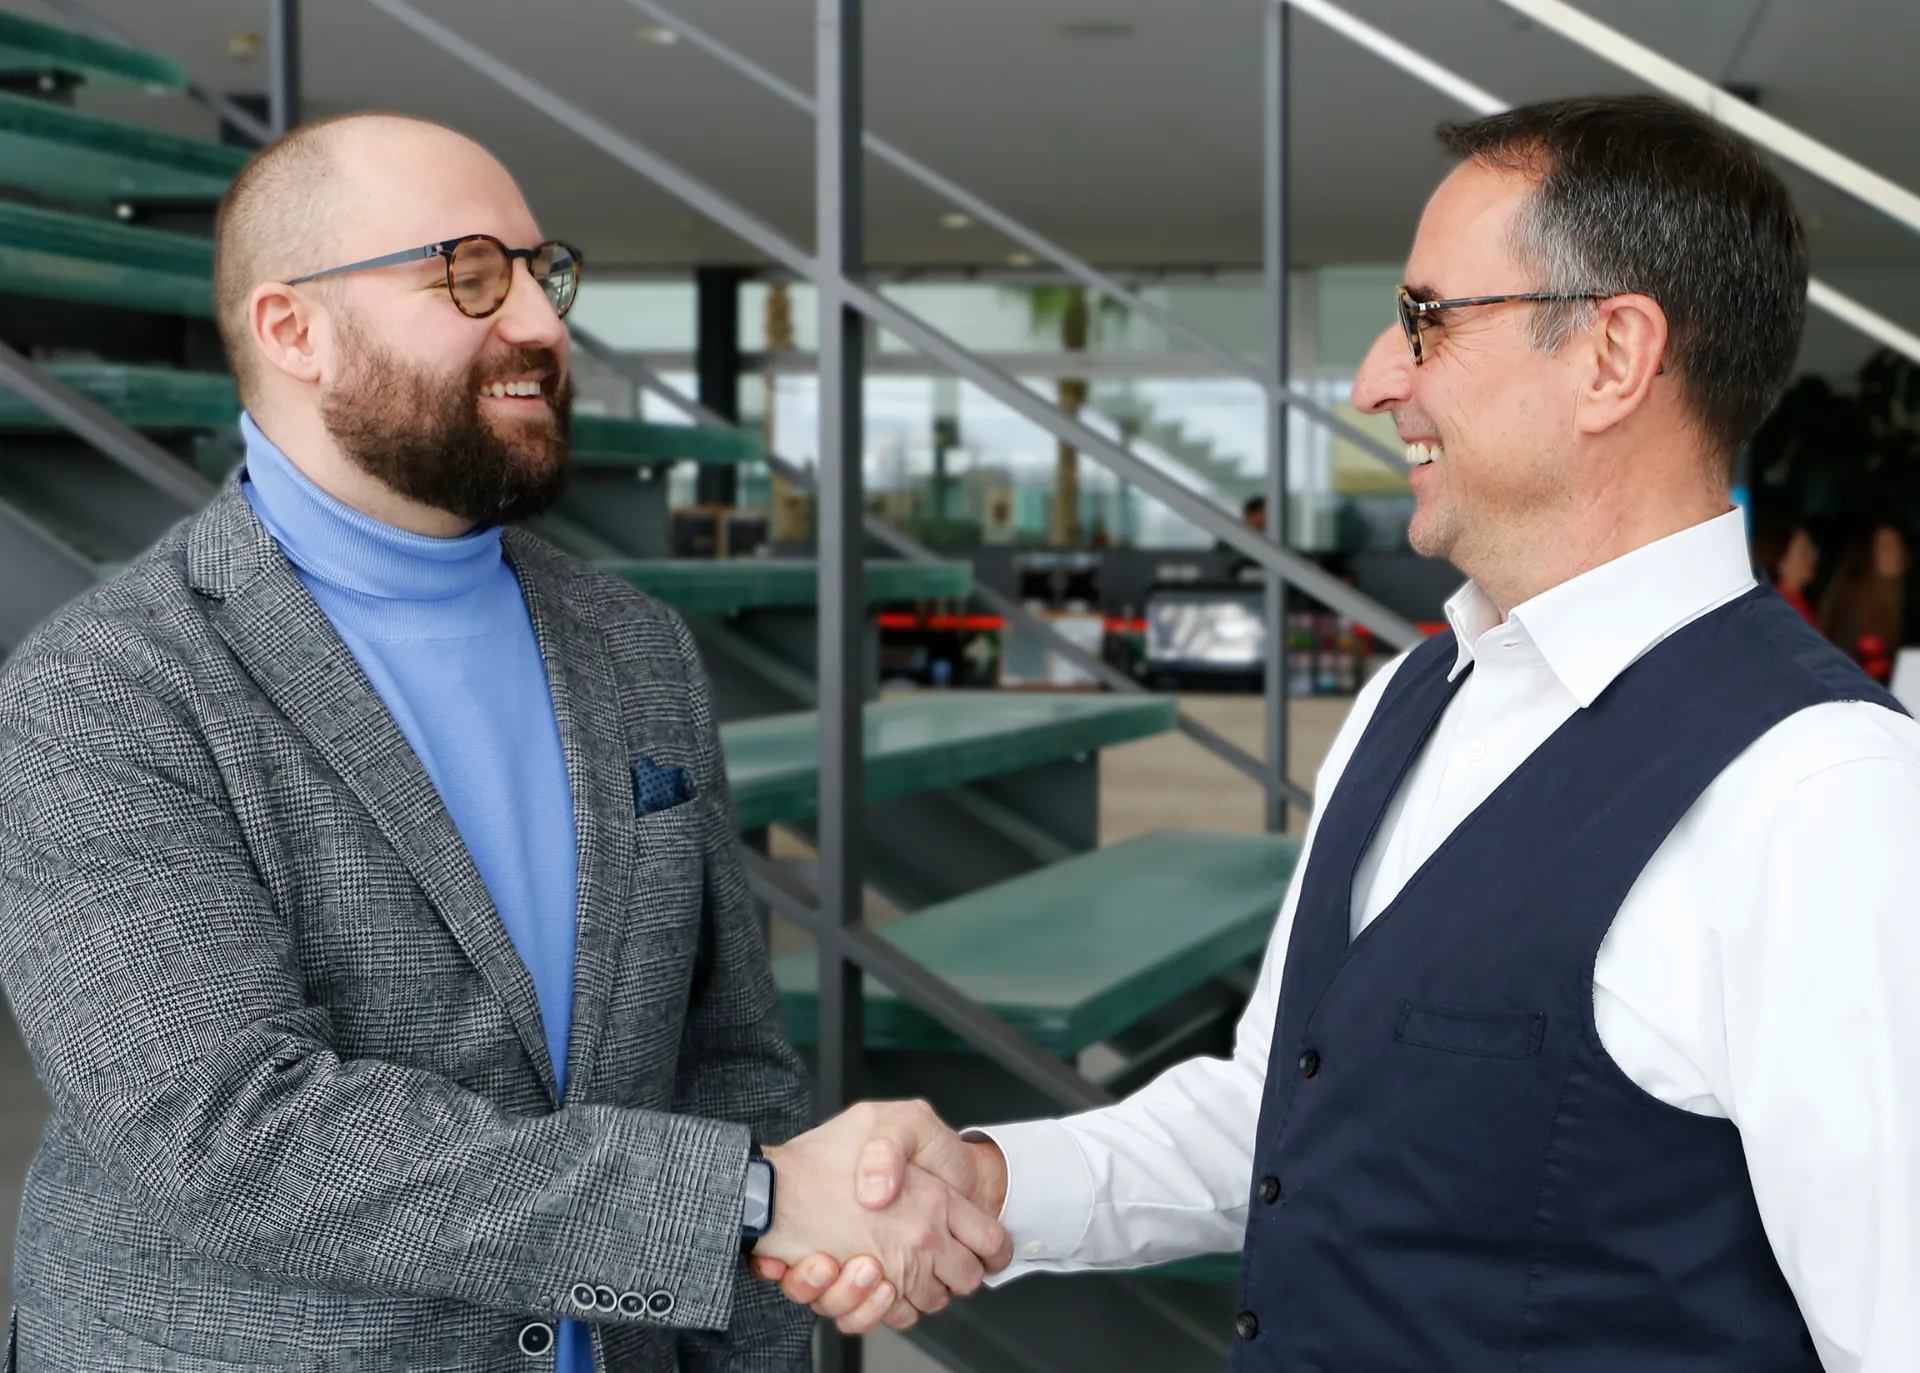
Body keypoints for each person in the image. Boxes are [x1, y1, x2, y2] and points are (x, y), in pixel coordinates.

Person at [761, 95, 1920, 1370]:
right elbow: (1287, 1118)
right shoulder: (1411, 700)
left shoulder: (1821, 790)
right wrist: (981, 1181)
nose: (1378, 377)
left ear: (1612, 357)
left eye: (1428, 319)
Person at [0, 114, 1004, 1373]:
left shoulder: (636, 645)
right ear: (291, 328)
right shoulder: (109, 686)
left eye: (543, 271)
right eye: (470, 273)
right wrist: (741, 1195)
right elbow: (229, 1129)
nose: (539, 320)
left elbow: (727, 1058)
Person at [1820, 522, 1908, 682]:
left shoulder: (1889, 598)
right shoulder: (1860, 602)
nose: (1897, 552)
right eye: (1887, 547)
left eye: (1898, 544)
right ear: (1868, 555)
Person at [1752, 519, 1820, 624]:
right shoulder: (1779, 607)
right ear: (1781, 560)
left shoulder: (1798, 602)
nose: (1813, 556)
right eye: (1804, 551)